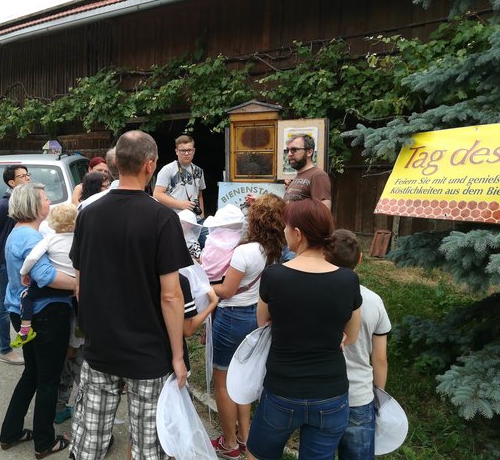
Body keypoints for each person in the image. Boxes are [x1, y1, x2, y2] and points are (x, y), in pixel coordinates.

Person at [69, 130, 192, 460]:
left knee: (88, 444)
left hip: (100, 348)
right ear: (150, 166)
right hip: (149, 354)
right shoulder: (163, 219)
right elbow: (170, 296)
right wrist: (178, 357)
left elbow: (80, 287)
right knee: (148, 447)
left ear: (116, 164)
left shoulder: (88, 215)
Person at [245, 199, 362, 460]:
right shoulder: (348, 279)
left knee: (257, 455)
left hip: (282, 389)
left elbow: (262, 322)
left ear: (297, 234)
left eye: (287, 227)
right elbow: (351, 336)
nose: (285, 232)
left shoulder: (274, 276)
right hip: (331, 393)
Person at [0, 183, 76, 459]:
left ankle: (11, 432)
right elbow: (48, 277)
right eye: (45, 199)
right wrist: (82, 284)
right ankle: (44, 442)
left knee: (31, 374)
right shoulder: (32, 238)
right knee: (48, 379)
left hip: (22, 312)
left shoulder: (16, 233)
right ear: (33, 205)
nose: (49, 203)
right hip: (45, 315)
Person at [209, 193, 286, 459]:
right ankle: (246, 434)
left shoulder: (245, 251)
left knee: (223, 382)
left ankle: (229, 443)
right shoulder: (276, 251)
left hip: (232, 318)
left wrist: (202, 285)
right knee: (245, 377)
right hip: (257, 315)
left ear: (254, 220)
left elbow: (227, 290)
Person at [326, 229, 391, 460]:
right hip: (360, 396)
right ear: (361, 259)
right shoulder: (373, 301)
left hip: (323, 392)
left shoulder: (317, 294)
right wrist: (379, 395)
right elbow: (380, 359)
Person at [10, 203, 78, 348]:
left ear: (52, 222)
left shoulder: (50, 239)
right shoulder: (79, 239)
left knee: (27, 296)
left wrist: (23, 272)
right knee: (77, 301)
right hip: (73, 283)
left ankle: (25, 330)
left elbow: (32, 258)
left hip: (54, 283)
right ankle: (81, 326)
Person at [0, 164, 32, 366]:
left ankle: (22, 339)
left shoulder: (22, 201)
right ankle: (5, 349)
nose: (27, 179)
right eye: (22, 176)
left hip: (20, 261)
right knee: (6, 305)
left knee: (19, 301)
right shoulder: (4, 206)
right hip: (6, 262)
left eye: (27, 175)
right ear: (11, 182)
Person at [153, 134, 206, 217]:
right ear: (176, 151)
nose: (186, 153)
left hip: (194, 219)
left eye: (189, 150)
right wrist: (180, 204)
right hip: (173, 218)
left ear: (194, 151)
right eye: (182, 150)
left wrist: (202, 218)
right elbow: (157, 194)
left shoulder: (199, 170)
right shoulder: (167, 169)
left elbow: (199, 196)